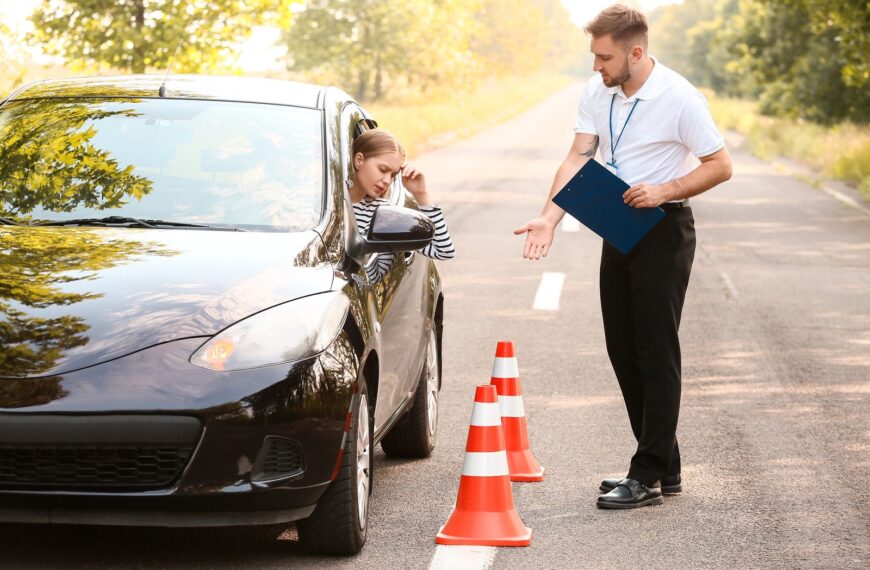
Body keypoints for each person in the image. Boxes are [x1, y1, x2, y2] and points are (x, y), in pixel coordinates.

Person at [514, 4, 732, 509]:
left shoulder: (679, 97)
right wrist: (549, 216)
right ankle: (663, 464)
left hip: (663, 225)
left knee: (657, 349)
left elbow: (720, 164)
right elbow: (578, 155)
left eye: (605, 58)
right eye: (594, 57)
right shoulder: (599, 92)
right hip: (618, 225)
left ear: (636, 52)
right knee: (622, 347)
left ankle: (648, 474)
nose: (597, 67)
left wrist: (664, 189)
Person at [348, 128, 454, 282]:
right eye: (382, 169)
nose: (387, 180)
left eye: (393, 175)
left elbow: (444, 251)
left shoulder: (385, 218)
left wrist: (421, 194)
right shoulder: (321, 204)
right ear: (359, 160)